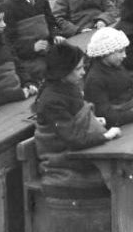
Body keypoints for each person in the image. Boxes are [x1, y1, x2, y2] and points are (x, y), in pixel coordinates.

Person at [33, 43, 122, 197]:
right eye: (78, 69)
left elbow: (76, 118)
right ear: (63, 71)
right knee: (121, 175)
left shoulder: (67, 86)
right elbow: (72, 138)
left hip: (75, 151)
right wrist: (105, 136)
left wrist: (94, 120)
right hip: (63, 162)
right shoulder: (52, 99)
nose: (83, 72)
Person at [3, 0, 65, 86]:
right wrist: (32, 47)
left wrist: (54, 37)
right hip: (29, 58)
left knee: (70, 56)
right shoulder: (9, 8)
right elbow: (9, 42)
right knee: (46, 69)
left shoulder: (41, 0)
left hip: (48, 49)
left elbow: (51, 24)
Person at [83, 27, 133, 127]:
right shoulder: (94, 80)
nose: (124, 55)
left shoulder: (115, 65)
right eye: (120, 51)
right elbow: (106, 116)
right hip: (123, 124)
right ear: (106, 53)